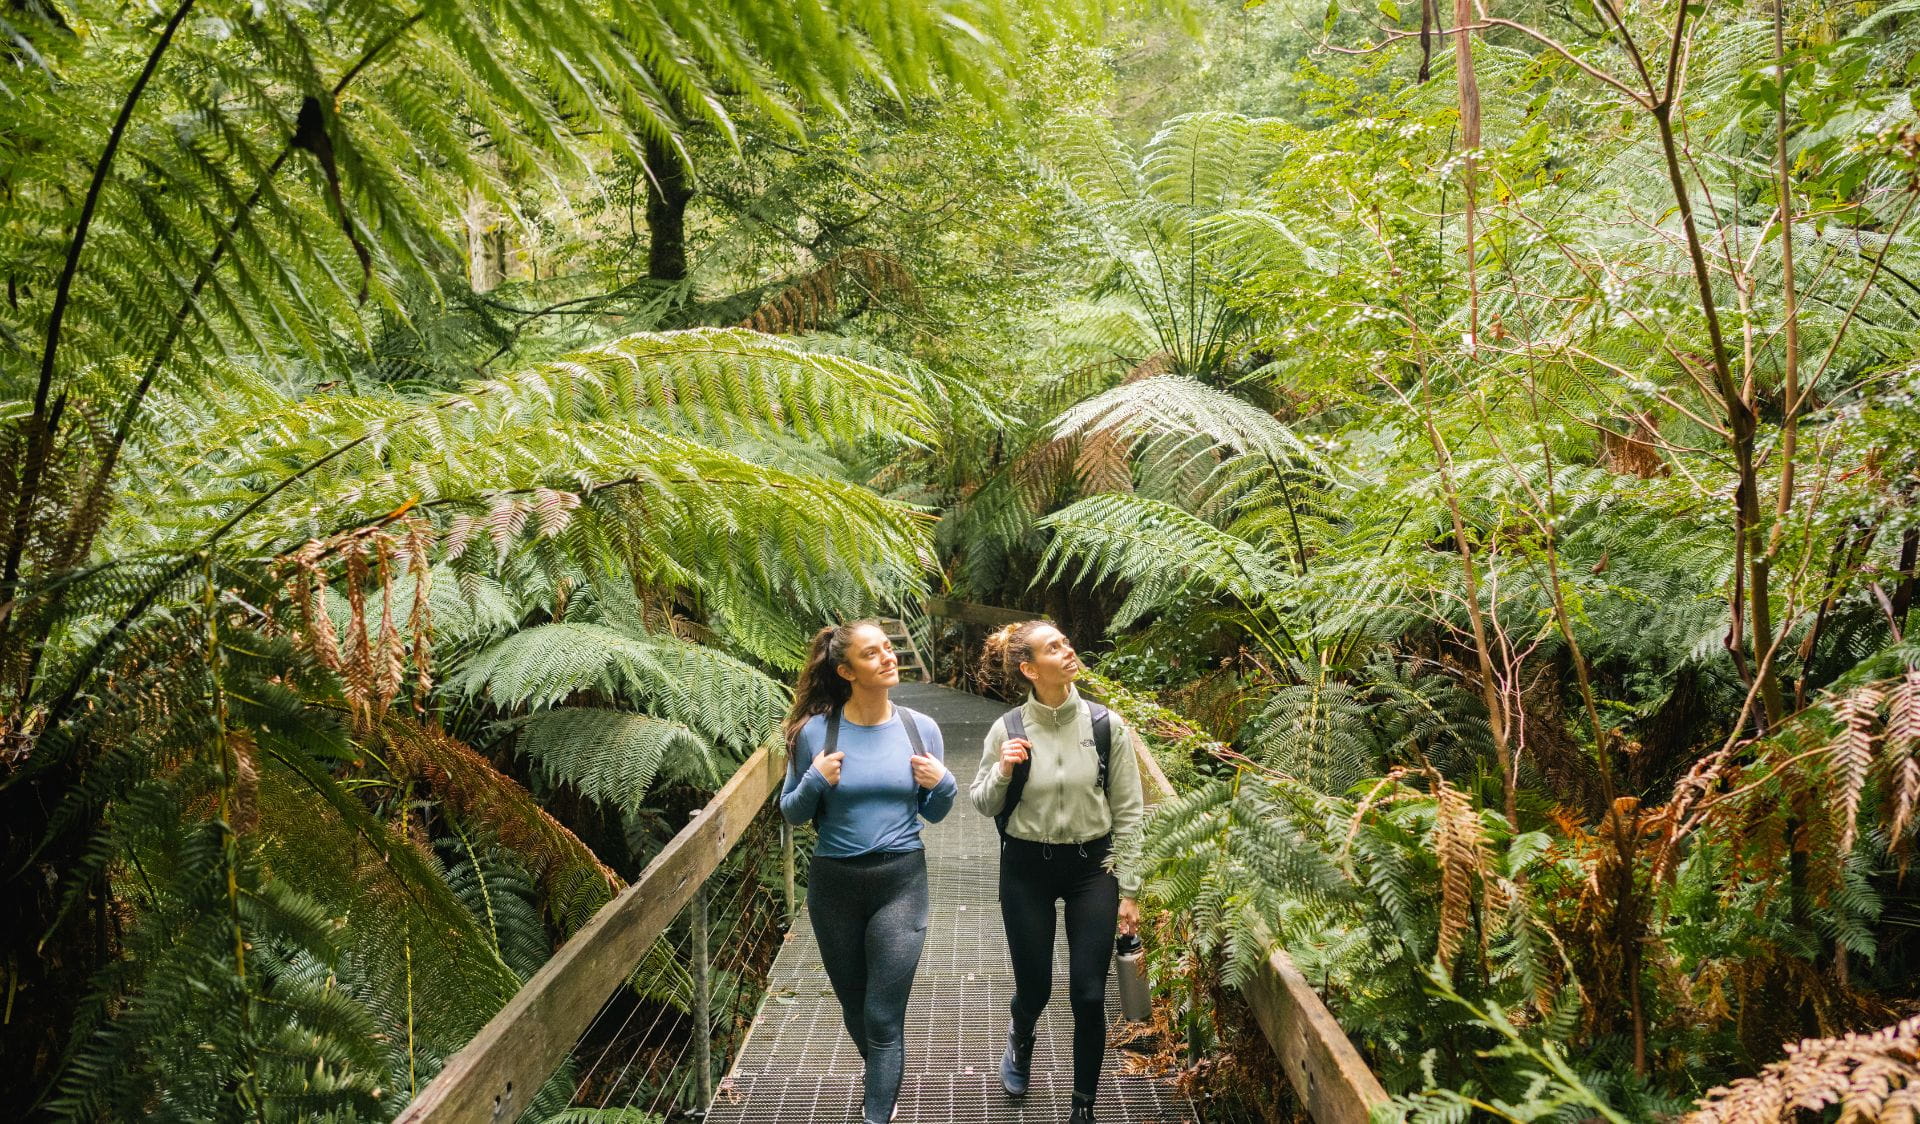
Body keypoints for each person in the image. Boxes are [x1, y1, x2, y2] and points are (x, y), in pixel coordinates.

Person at [779, 620, 956, 1124]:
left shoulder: (921, 729)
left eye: (888, 648)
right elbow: (791, 811)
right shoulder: (817, 732)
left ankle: (877, 1109)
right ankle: (882, 1068)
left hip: (900, 882)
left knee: (882, 1016)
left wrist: (943, 784)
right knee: (856, 1008)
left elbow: (936, 812)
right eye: (871, 653)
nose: (887, 657)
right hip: (834, 886)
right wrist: (814, 779)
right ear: (845, 670)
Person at [969, 621, 1144, 1124]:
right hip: (1027, 868)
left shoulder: (1107, 725)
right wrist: (1002, 770)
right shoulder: (1008, 729)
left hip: (1094, 868)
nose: (1068, 650)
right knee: (1036, 987)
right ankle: (1020, 1037)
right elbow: (981, 803)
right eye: (1054, 647)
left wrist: (1130, 888)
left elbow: (1129, 811)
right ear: (1029, 668)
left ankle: (1083, 1107)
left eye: (1067, 641)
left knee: (1088, 993)